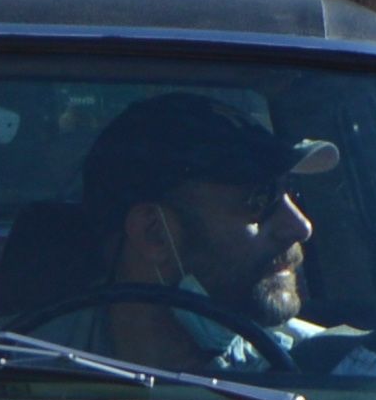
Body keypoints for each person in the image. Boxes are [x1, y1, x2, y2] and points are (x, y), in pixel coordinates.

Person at [70, 94, 329, 374]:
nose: (301, 227)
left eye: (292, 192)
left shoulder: (332, 372)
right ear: (154, 233)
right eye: (260, 199)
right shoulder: (25, 364)